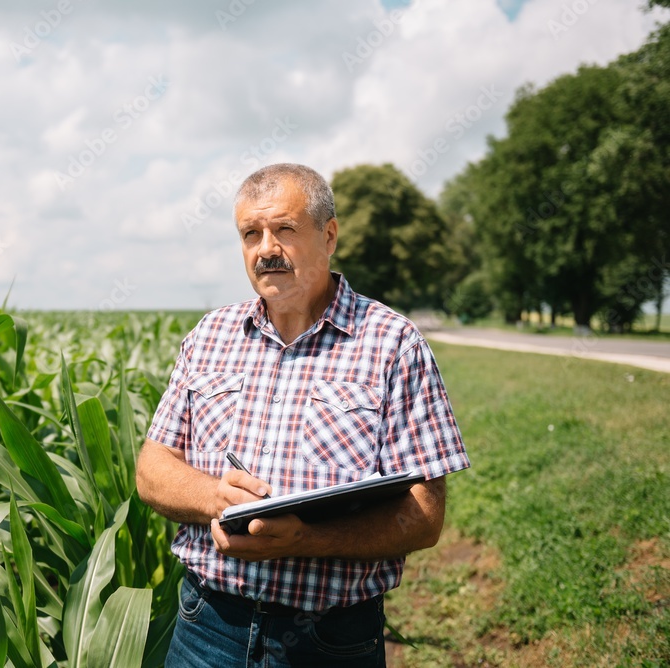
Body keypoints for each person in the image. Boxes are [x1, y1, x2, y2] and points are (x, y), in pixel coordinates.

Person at [136, 163, 470, 667]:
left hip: (330, 641)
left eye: (284, 229)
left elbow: (423, 517)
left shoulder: (392, 342)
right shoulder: (210, 335)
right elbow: (152, 469)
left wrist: (308, 539)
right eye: (251, 234)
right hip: (206, 627)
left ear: (329, 235)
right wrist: (214, 498)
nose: (266, 248)